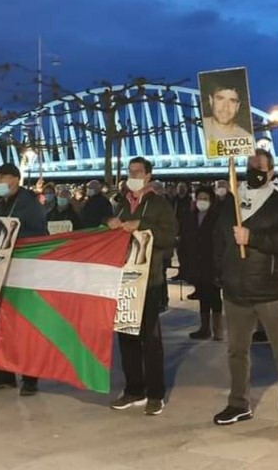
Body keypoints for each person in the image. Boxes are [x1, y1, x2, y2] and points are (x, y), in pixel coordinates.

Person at [212, 149, 278, 436]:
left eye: (259, 167)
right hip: (236, 289)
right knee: (236, 352)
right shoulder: (232, 201)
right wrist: (221, 271)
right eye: (249, 165)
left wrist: (253, 237)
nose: (253, 171)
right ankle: (238, 403)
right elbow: (219, 238)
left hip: (271, 289)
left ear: (271, 172)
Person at [108, 157, 177, 416]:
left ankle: (155, 393)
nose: (133, 175)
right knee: (126, 336)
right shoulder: (121, 204)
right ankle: (133, 389)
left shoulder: (159, 204)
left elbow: (169, 236)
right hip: (124, 279)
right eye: (130, 171)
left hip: (149, 278)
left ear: (148, 176)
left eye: (138, 172)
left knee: (150, 339)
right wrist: (110, 224)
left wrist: (142, 226)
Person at [0, 164, 49, 396]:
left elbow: (39, 235)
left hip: (23, 271)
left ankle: (30, 378)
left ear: (16, 179)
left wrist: (9, 236)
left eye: (2, 177)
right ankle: (3, 373)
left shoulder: (29, 203)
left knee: (25, 325)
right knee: (0, 324)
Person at [181, 186, 222, 340]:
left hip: (212, 261)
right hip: (196, 262)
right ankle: (204, 328)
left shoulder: (217, 217)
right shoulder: (191, 216)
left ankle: (218, 330)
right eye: (199, 198)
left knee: (214, 295)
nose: (202, 201)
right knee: (203, 295)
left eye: (205, 199)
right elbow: (186, 238)